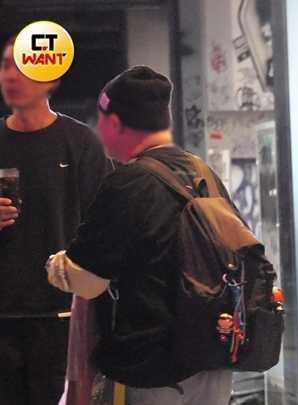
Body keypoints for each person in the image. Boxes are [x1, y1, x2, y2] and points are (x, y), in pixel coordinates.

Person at [45, 66, 235, 404]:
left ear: (116, 124)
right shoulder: (204, 174)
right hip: (213, 361)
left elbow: (88, 281)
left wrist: (54, 266)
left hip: (153, 366)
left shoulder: (127, 183)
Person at [0, 34, 110, 405]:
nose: (10, 76)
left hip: (63, 317)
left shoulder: (81, 143)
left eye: (21, 67)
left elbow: (106, 228)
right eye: (5, 66)